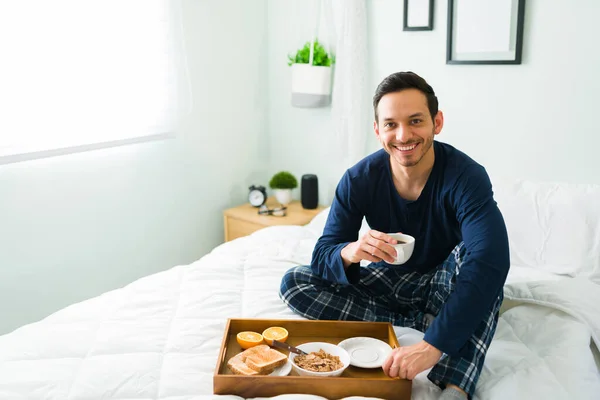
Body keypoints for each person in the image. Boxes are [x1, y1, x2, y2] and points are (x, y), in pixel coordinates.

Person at [279, 71, 510, 400]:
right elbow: (322, 254)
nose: (404, 135)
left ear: (437, 122)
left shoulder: (467, 176)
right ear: (377, 130)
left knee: (484, 277)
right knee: (294, 282)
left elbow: (490, 259)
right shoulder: (357, 179)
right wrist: (351, 251)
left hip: (447, 282)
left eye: (415, 121)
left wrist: (432, 347)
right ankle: (419, 320)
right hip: (394, 282)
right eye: (391, 124)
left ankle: (456, 385)